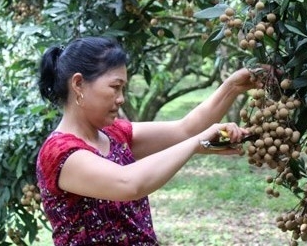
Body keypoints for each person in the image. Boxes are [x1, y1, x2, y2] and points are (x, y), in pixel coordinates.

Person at [36, 36, 262, 245]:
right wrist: (196, 144)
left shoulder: (114, 135)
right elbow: (129, 183)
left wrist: (232, 87)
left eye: (123, 89)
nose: (121, 98)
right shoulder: (59, 153)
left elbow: (185, 130)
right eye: (115, 87)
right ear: (78, 84)